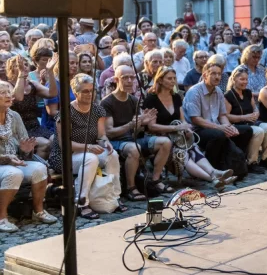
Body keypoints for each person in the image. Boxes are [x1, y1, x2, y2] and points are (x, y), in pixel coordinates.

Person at [144, 67, 237, 190]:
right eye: (169, 78)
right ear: (160, 80)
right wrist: (174, 128)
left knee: (192, 147)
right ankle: (213, 178)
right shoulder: (152, 99)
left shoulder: (176, 97)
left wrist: (186, 128)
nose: (173, 81)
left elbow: (182, 119)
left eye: (174, 78)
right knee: (182, 153)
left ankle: (214, 172)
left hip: (177, 136)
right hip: (160, 137)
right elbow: (151, 126)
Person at [49, 74, 126, 219]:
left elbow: (101, 135)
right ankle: (81, 202)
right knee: (90, 158)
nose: (89, 94)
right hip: (65, 157)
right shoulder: (66, 112)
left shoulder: (97, 110)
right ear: (76, 92)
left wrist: (106, 143)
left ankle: (114, 196)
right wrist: (89, 147)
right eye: (85, 91)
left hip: (87, 151)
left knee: (112, 155)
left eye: (92, 90)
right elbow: (64, 144)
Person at [102, 65, 175, 198]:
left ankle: (155, 179)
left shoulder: (133, 100)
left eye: (132, 77)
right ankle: (131, 188)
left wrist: (143, 123)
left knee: (165, 142)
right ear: (117, 80)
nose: (130, 81)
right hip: (115, 142)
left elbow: (137, 131)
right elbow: (109, 132)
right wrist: (131, 124)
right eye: (125, 78)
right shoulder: (107, 102)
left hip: (132, 139)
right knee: (134, 149)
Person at [0, 81, 57, 232]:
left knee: (39, 168)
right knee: (14, 173)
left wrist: (25, 150)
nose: (8, 96)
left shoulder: (15, 116)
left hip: (14, 161)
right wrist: (6, 159)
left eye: (8, 92)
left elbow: (24, 146)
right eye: (2, 93)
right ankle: (2, 217)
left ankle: (38, 211)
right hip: (3, 164)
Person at [183, 63, 256, 173]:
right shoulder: (194, 92)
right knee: (218, 135)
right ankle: (213, 167)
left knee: (246, 130)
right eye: (213, 74)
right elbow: (195, 119)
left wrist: (229, 127)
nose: (217, 77)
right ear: (204, 75)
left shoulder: (218, 91)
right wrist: (220, 127)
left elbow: (222, 115)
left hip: (215, 126)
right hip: (197, 130)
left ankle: (234, 161)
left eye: (219, 74)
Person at [224, 66, 267, 173]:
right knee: (258, 131)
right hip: (237, 124)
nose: (245, 82)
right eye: (242, 79)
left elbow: (254, 107)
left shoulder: (247, 92)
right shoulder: (228, 95)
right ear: (234, 80)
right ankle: (251, 162)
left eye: (246, 79)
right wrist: (244, 117)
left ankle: (265, 158)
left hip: (251, 122)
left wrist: (256, 113)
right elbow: (226, 116)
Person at [7, 54, 58, 157]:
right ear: (12, 69)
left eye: (26, 64)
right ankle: (39, 167)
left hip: (35, 126)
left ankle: (51, 167)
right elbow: (18, 97)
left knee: (55, 139)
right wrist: (21, 74)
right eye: (19, 65)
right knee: (45, 143)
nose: (24, 67)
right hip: (19, 129)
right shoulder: (8, 85)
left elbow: (52, 93)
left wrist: (50, 72)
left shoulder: (32, 84)